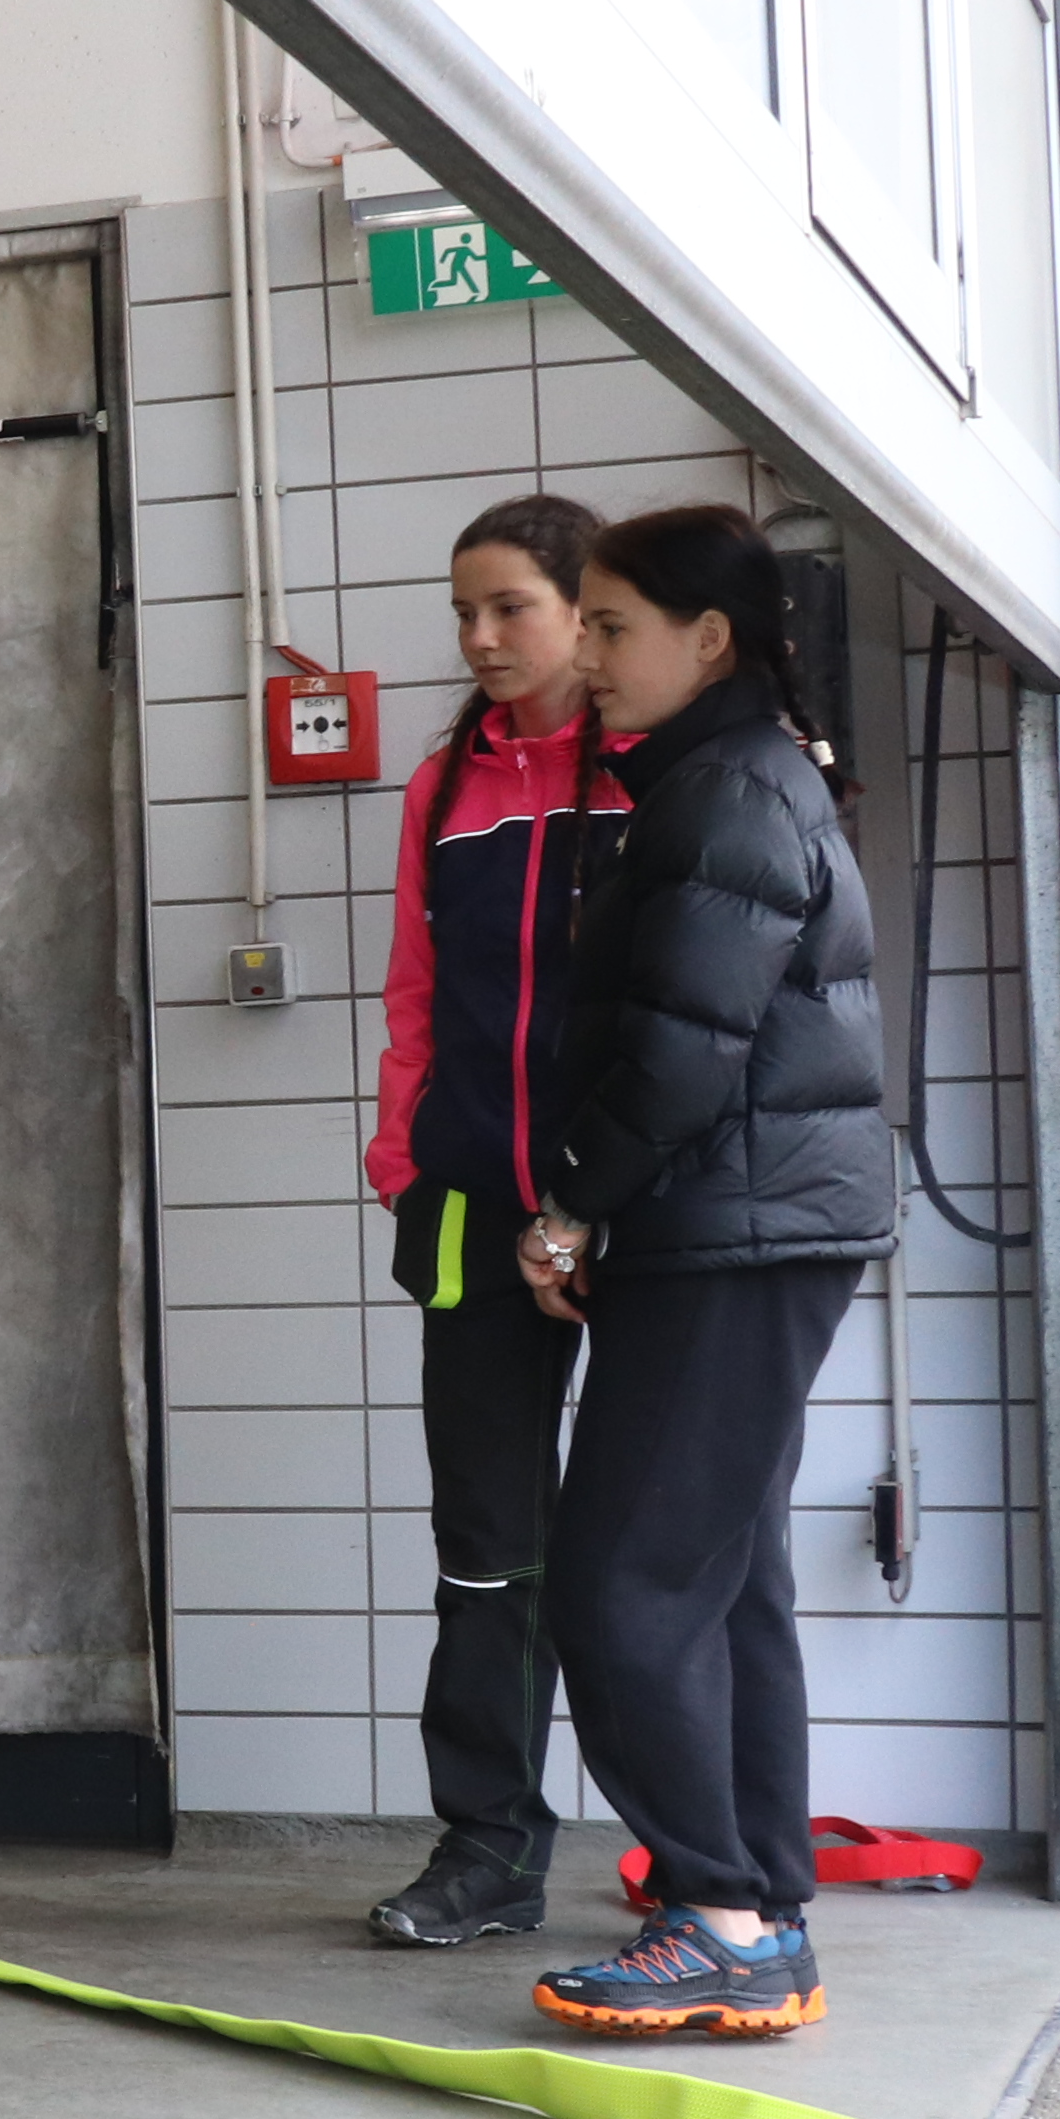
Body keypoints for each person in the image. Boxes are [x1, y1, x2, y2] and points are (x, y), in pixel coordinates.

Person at [510, 501, 890, 2039]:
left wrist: (571, 1210)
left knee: (622, 1576)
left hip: (726, 1226)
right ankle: (755, 1908)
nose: (584, 657)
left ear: (707, 640)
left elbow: (681, 1050)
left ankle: (720, 1912)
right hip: (750, 1224)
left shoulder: (727, 790)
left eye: (611, 628)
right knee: (723, 1581)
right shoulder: (736, 774)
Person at [361, 494, 631, 1950]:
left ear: (587, 614)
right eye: (463, 612)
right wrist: (406, 1162)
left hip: (632, 1216)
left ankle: (699, 1855)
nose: (479, 639)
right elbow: (415, 991)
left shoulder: (655, 774)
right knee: (485, 1547)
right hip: (468, 1211)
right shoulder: (442, 783)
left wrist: (597, 1200)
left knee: (655, 1548)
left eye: (508, 608)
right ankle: (486, 1849)